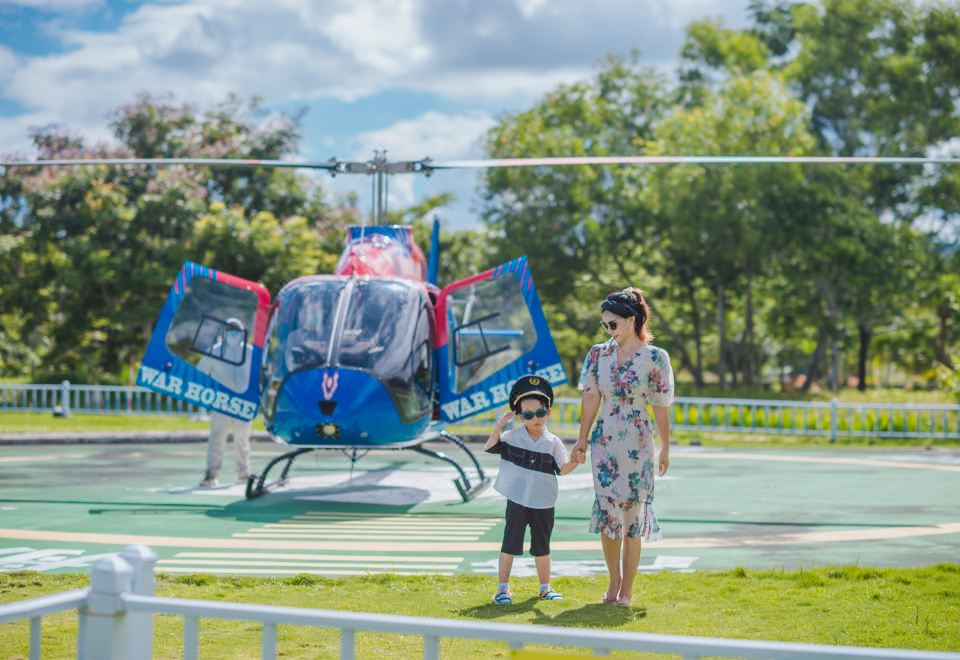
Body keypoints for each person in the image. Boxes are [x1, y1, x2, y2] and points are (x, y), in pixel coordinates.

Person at [571, 288, 674, 607]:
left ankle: (627, 589)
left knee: (632, 515)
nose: (608, 330)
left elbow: (661, 406)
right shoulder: (597, 354)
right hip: (605, 441)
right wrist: (582, 439)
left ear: (632, 320)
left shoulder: (655, 357)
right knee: (608, 512)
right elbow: (591, 398)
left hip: (637, 441)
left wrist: (665, 448)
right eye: (604, 325)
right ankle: (613, 580)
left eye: (613, 324)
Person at [485, 375, 579, 605]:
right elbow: (492, 446)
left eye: (540, 412)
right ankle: (503, 589)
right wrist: (499, 425)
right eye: (528, 415)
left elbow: (562, 469)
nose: (535, 418)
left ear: (549, 412)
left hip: (543, 502)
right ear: (520, 416)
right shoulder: (512, 437)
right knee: (510, 543)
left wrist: (576, 460)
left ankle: (545, 588)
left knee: (542, 546)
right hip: (517, 500)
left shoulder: (553, 442)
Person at [197, 317, 253, 487]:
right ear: (224, 331)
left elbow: (259, 374)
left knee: (242, 440)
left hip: (243, 402)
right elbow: (200, 373)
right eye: (229, 329)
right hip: (220, 402)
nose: (232, 332)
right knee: (217, 438)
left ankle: (244, 475)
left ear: (242, 332)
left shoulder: (250, 352)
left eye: (236, 330)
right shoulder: (215, 351)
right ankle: (211, 474)